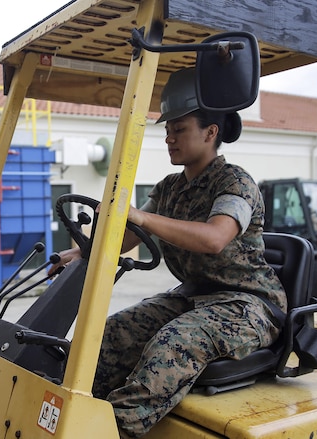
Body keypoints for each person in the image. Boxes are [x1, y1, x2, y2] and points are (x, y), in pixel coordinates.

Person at [49, 68, 286, 438]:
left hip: (247, 305)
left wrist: (144, 215)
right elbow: (128, 236)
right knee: (113, 331)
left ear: (211, 132)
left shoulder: (235, 182)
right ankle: (71, 415)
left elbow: (213, 238)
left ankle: (113, 431)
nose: (170, 139)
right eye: (167, 131)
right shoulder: (169, 188)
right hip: (195, 298)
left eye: (179, 130)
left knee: (174, 344)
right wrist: (77, 255)